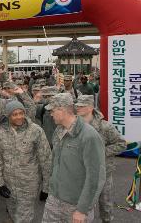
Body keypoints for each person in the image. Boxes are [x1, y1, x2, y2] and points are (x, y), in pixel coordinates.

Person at [42, 93, 106, 223]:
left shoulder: (89, 136)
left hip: (76, 205)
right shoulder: (59, 131)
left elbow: (95, 176)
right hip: (54, 199)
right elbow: (55, 163)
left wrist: (82, 209)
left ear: (62, 110)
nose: (51, 114)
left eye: (53, 110)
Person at [0, 101, 52, 222]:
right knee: (12, 212)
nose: (19, 117)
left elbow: (46, 159)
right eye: (14, 114)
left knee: (23, 218)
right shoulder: (1, 131)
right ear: (8, 116)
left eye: (21, 113)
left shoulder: (35, 131)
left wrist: (46, 187)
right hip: (8, 183)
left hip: (29, 184)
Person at [75, 95, 126, 223]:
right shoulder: (75, 125)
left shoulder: (105, 127)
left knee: (105, 203)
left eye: (82, 106)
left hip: (103, 172)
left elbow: (121, 144)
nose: (78, 108)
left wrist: (101, 152)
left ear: (91, 107)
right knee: (81, 204)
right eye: (77, 105)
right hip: (81, 172)